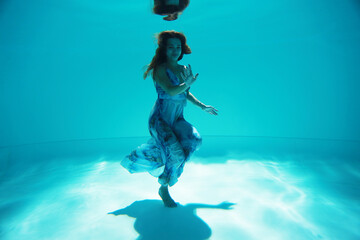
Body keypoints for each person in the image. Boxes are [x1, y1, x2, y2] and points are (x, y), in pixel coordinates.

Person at [121, 30, 218, 208]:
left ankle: (166, 164)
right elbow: (171, 91)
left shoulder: (182, 70)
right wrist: (186, 84)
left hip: (177, 118)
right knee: (175, 152)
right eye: (171, 47)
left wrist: (203, 106)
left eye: (178, 47)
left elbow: (185, 94)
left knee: (194, 140)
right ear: (164, 49)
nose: (175, 50)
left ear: (182, 50)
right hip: (160, 120)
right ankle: (164, 187)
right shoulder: (160, 69)